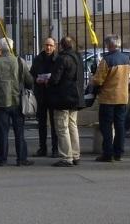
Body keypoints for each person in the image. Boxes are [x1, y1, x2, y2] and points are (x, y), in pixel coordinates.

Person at [0, 37, 33, 166]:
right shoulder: (19, 61)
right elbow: (29, 81)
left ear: (0, 49)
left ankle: (1, 159)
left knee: (2, 132)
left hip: (0, 102)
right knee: (19, 132)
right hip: (17, 101)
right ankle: (21, 158)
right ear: (12, 47)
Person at [93, 35, 130, 162]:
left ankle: (108, 153)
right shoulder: (127, 59)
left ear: (109, 45)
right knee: (120, 126)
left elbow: (98, 80)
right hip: (123, 97)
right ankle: (118, 152)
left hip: (108, 98)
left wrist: (92, 82)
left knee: (106, 127)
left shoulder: (106, 60)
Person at [48, 35, 83, 167]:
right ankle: (76, 155)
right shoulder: (78, 57)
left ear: (61, 46)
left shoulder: (62, 58)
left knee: (62, 128)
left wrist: (48, 81)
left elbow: (55, 79)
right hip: (75, 97)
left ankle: (66, 157)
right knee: (73, 126)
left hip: (63, 98)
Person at [30, 36, 59, 157]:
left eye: (51, 45)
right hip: (41, 94)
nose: (48, 47)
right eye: (46, 45)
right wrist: (36, 80)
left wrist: (51, 81)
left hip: (53, 94)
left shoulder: (58, 59)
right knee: (41, 123)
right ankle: (42, 148)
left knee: (54, 123)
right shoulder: (38, 59)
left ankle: (55, 149)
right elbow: (31, 74)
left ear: (55, 47)